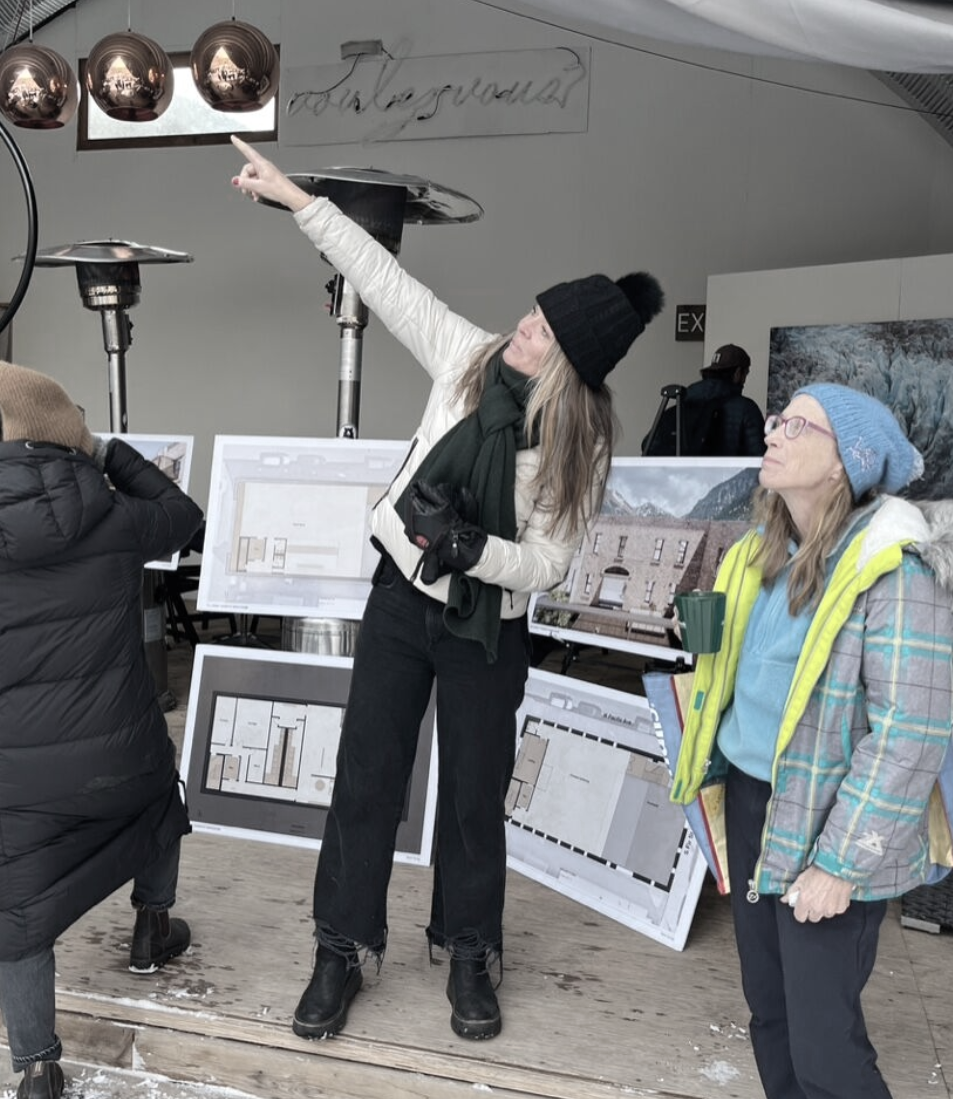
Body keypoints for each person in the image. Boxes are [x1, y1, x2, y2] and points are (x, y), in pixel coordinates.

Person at [229, 136, 665, 1042]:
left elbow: (545, 566)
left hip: (485, 630)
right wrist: (296, 200)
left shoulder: (576, 446)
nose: (522, 328)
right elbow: (387, 285)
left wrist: (470, 548)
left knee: (473, 794)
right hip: (399, 600)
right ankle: (340, 947)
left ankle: (470, 951)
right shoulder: (469, 358)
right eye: (532, 314)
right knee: (366, 779)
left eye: (542, 330)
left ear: (568, 366)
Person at [665, 383, 953, 1098]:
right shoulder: (758, 554)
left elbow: (912, 731)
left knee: (823, 1045)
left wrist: (840, 864)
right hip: (750, 803)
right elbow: (732, 671)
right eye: (776, 420)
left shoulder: (898, 573)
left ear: (845, 461)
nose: (772, 432)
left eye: (796, 425)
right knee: (771, 1014)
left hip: (828, 819)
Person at [0, 363, 204, 1099]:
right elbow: (183, 512)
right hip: (120, 746)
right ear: (69, 435)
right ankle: (151, 928)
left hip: (15, 768)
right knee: (155, 802)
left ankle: (39, 1068)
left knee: (25, 906)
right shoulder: (111, 516)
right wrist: (106, 451)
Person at [642, 343, 765, 457]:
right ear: (738, 373)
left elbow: (647, 445)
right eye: (746, 374)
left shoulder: (682, 402)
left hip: (678, 478)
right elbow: (759, 458)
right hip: (725, 479)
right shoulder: (746, 409)